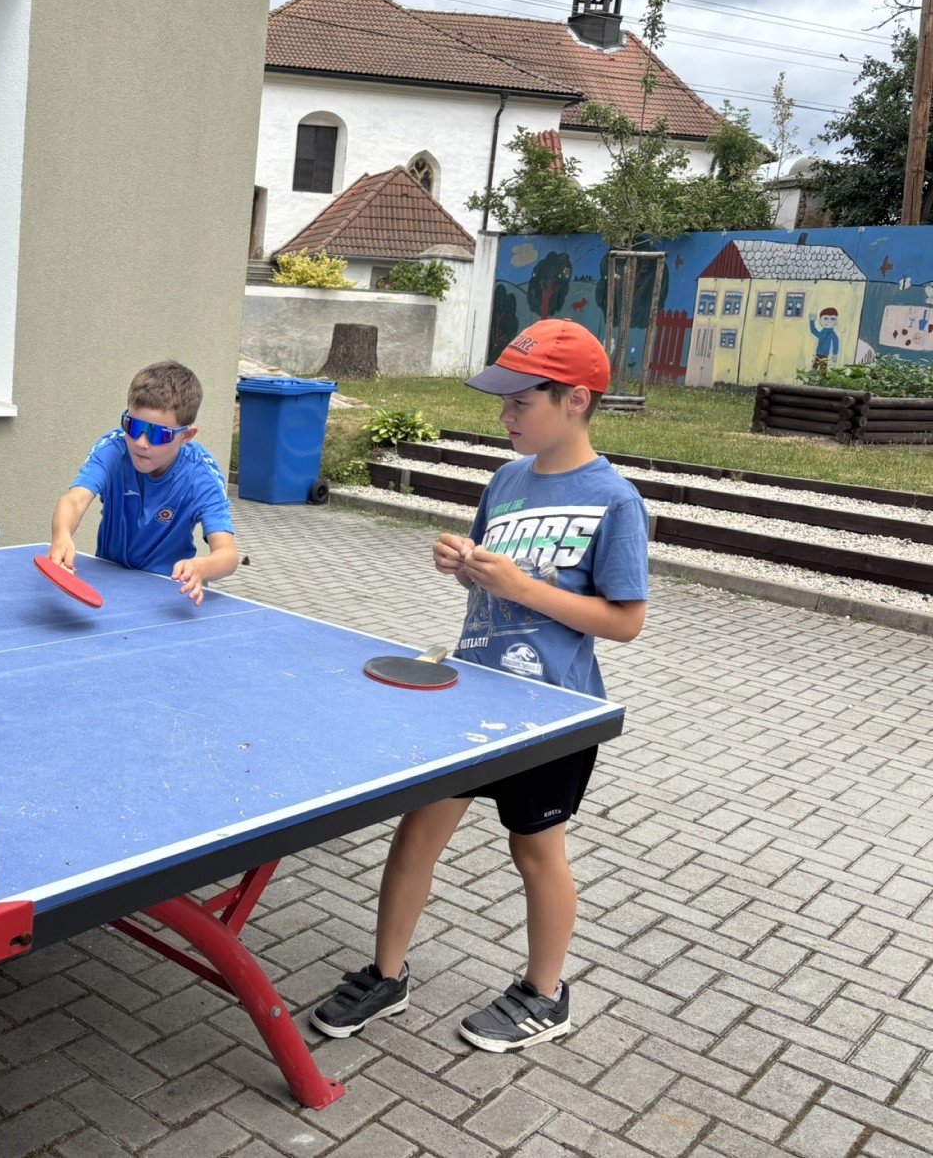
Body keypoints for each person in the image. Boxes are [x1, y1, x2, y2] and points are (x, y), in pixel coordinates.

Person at [311, 318, 648, 1053]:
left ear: (576, 401)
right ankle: (388, 975)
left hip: (552, 715)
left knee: (536, 854)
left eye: (521, 403)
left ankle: (545, 994)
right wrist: (463, 564)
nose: (505, 416)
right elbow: (493, 574)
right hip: (469, 695)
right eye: (503, 402)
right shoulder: (505, 480)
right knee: (416, 835)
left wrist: (523, 587)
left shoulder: (615, 500)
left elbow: (626, 621)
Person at [49, 360, 239, 605]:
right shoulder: (113, 449)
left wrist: (203, 567)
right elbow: (75, 500)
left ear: (186, 436)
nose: (140, 442)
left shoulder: (201, 475)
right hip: (108, 583)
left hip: (166, 595)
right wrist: (62, 535)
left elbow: (227, 555)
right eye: (133, 425)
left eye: (158, 434)